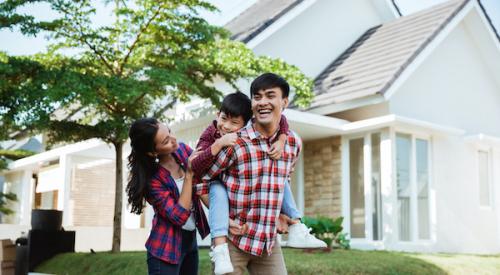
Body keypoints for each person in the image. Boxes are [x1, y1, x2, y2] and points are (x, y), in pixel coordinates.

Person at [202, 73, 325, 275]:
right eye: (257, 97)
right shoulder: (234, 141)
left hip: (267, 241)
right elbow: (203, 179)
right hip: (234, 239)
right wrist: (222, 221)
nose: (263, 102)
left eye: (270, 95)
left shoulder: (292, 142)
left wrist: (281, 214)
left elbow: (282, 180)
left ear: (284, 102)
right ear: (251, 104)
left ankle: (297, 227)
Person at [126, 118, 209, 275]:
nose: (174, 140)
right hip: (165, 249)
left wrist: (226, 218)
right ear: (152, 152)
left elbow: (202, 185)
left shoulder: (183, 150)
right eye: (166, 141)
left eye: (169, 131)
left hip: (190, 241)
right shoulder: (153, 180)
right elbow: (179, 217)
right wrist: (189, 175)